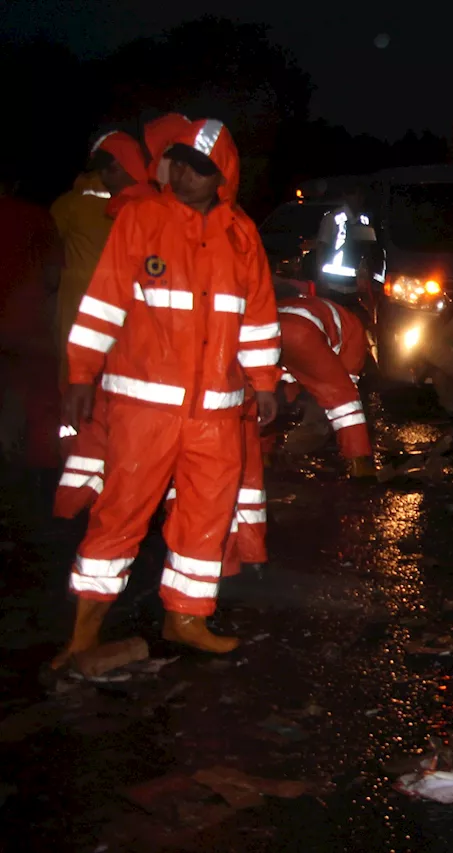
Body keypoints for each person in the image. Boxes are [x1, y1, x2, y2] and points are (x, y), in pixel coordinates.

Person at [54, 117, 281, 667]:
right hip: (144, 407)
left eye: (197, 168)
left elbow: (257, 317)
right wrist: (82, 376)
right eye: (176, 162)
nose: (182, 175)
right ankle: (84, 634)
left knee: (206, 518)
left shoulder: (241, 234)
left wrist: (266, 382)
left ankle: (187, 619)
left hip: (217, 413)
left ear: (221, 175)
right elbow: (103, 304)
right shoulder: (140, 218)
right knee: (119, 515)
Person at [55, 123, 185, 520]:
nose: (105, 180)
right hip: (122, 343)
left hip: (119, 345)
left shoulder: (133, 212)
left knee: (99, 421)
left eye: (107, 170)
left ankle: (94, 503)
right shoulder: (149, 208)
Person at [51, 132, 149, 383]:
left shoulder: (70, 205)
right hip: (118, 317)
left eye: (111, 169)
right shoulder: (156, 208)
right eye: (104, 170)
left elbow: (46, 249)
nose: (106, 177)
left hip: (87, 313)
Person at [0, 172, 62, 474]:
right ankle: (32, 461)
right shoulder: (35, 217)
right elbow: (53, 274)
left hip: (17, 320)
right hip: (24, 321)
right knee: (30, 389)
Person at [276, 289, 375, 478]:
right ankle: (359, 463)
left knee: (264, 392)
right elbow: (344, 394)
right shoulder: (356, 333)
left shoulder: (327, 310)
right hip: (302, 333)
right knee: (343, 400)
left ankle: (263, 454)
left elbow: (297, 373)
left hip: (267, 326)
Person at [313, 187, 378, 308]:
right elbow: (321, 248)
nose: (358, 199)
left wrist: (367, 279)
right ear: (345, 196)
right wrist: (321, 280)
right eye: (354, 194)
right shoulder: (333, 218)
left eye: (360, 195)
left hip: (353, 287)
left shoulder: (364, 220)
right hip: (332, 285)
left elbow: (368, 251)